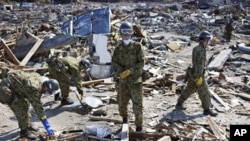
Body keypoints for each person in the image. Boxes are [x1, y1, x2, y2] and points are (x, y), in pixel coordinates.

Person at [0, 69, 59, 140]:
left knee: (26, 104)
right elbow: (38, 107)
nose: (46, 93)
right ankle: (24, 132)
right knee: (20, 108)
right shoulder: (34, 88)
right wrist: (47, 125)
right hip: (7, 88)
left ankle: (27, 125)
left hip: (17, 87)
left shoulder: (40, 81)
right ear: (46, 87)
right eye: (48, 91)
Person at [111, 21, 145, 131]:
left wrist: (130, 71)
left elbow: (141, 63)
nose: (126, 35)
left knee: (137, 106)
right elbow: (114, 62)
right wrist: (120, 71)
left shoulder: (137, 47)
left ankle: (139, 127)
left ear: (132, 34)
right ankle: (125, 121)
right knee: (121, 104)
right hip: (123, 82)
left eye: (129, 33)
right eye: (124, 33)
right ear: (120, 34)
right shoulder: (118, 48)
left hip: (135, 82)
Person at [175, 30, 217, 117]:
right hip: (198, 75)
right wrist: (198, 77)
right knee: (205, 92)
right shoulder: (201, 50)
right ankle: (207, 109)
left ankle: (179, 103)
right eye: (207, 40)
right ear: (204, 40)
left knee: (189, 89)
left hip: (193, 73)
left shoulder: (196, 48)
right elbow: (199, 64)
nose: (208, 42)